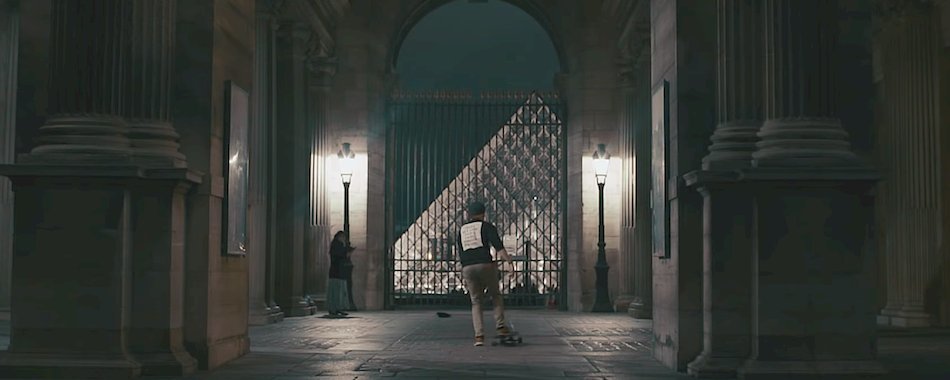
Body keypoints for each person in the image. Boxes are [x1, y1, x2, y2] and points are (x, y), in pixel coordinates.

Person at [457, 200, 513, 346]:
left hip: (468, 267)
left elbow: (461, 251)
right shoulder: (487, 227)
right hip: (485, 264)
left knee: (476, 301)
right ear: (483, 214)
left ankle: (479, 336)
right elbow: (499, 248)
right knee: (495, 295)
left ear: (469, 214)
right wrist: (509, 262)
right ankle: (500, 326)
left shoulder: (462, 230)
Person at [327, 231, 354, 317]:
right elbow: (339, 256)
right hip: (338, 271)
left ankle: (337, 308)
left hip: (337, 271)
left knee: (338, 291)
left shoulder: (336, 245)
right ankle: (336, 308)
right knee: (337, 291)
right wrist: (346, 253)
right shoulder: (337, 245)